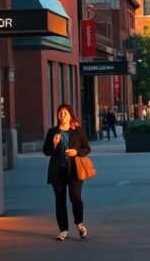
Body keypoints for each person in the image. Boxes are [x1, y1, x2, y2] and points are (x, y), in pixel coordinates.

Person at [43, 103, 91, 241]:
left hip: (75, 170)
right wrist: (54, 144)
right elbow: (46, 152)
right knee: (60, 200)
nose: (62, 115)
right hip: (57, 171)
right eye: (60, 112)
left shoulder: (78, 130)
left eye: (65, 112)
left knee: (75, 198)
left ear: (70, 115)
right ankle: (63, 230)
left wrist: (76, 152)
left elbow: (87, 148)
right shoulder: (52, 132)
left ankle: (80, 224)